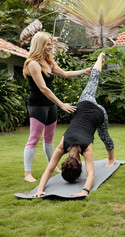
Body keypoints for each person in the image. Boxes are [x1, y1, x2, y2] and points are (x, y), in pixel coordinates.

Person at [31, 53, 115, 197]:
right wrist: (39, 189)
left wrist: (84, 191)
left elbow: (91, 174)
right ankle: (100, 57)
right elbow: (49, 169)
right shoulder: (62, 145)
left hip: (99, 114)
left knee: (105, 136)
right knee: (93, 79)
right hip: (84, 104)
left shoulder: (86, 149)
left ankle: (111, 158)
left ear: (80, 164)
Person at [23, 31, 92, 182]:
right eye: (47, 44)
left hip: (50, 105)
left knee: (49, 139)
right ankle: (27, 173)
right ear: (39, 44)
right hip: (38, 106)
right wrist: (61, 104)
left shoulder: (47, 63)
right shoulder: (33, 64)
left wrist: (84, 71)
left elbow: (65, 74)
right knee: (34, 138)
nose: (50, 47)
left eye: (50, 44)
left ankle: (52, 165)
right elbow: (43, 88)